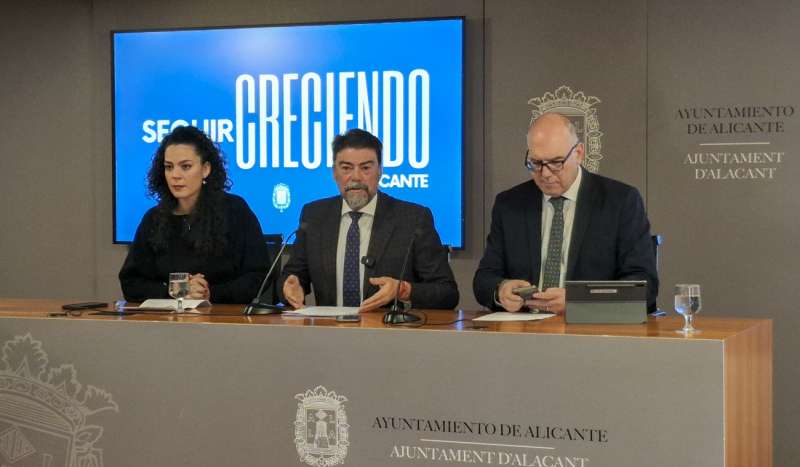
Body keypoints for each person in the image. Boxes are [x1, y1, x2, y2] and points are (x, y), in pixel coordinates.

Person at [473, 112, 658, 314]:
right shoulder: (509, 204)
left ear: (578, 153)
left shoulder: (620, 201)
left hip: (591, 333)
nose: (545, 174)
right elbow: (484, 278)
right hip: (524, 332)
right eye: (535, 163)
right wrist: (501, 290)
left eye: (556, 163)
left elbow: (643, 284)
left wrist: (578, 301)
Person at [280, 128, 458, 311]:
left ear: (380, 171)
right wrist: (290, 286)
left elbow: (447, 293)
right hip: (329, 333)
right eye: (346, 168)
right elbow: (292, 275)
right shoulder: (314, 216)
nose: (356, 177)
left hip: (390, 334)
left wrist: (403, 289)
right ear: (334, 172)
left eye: (365, 168)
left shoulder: (413, 219)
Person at [119, 126, 270, 304]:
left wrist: (209, 294)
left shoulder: (235, 211)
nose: (175, 175)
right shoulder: (154, 219)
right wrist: (177, 291)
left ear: (205, 169)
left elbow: (259, 276)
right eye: (169, 167)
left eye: (186, 167)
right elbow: (131, 283)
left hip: (225, 320)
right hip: (167, 324)